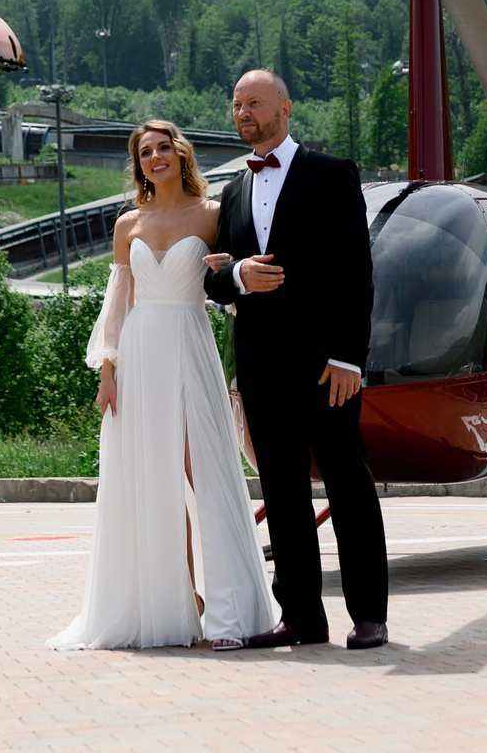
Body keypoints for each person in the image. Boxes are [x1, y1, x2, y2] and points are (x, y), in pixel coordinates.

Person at [52, 120, 277, 652]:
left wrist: (230, 273)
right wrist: (107, 370)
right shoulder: (128, 223)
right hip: (138, 355)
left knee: (208, 473)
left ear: (180, 153)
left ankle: (229, 612)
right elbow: (117, 303)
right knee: (151, 480)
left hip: (190, 343)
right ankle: (176, 605)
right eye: (145, 152)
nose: (155, 157)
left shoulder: (215, 214)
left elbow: (229, 286)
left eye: (163, 147)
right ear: (139, 165)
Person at [201, 70, 389, 650]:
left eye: (254, 103)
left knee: (347, 485)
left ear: (285, 109)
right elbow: (215, 280)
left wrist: (349, 357)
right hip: (261, 367)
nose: (244, 113)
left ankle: (369, 615)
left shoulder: (332, 174)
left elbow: (356, 272)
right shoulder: (233, 191)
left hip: (326, 366)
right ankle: (302, 617)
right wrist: (238, 274)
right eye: (237, 104)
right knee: (282, 493)